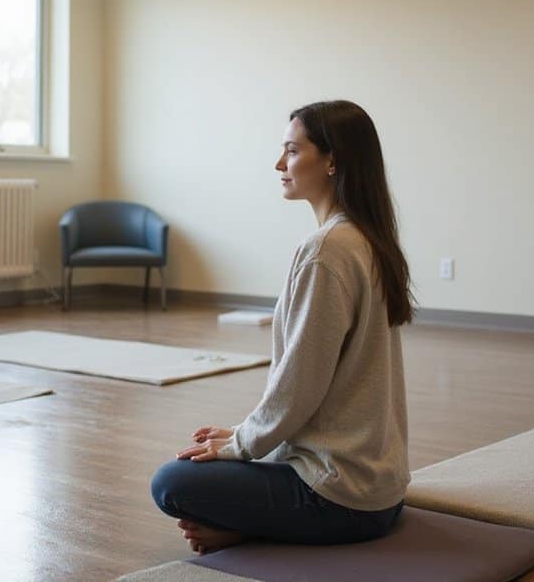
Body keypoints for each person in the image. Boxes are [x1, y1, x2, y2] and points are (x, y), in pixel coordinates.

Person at [149, 100, 413, 554]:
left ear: (332, 160)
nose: (279, 164)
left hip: (337, 498)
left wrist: (242, 445)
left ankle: (256, 528)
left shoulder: (326, 250)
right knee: (215, 463)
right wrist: (243, 434)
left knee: (172, 482)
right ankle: (251, 526)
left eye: (292, 151)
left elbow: (301, 384)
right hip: (382, 493)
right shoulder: (367, 239)